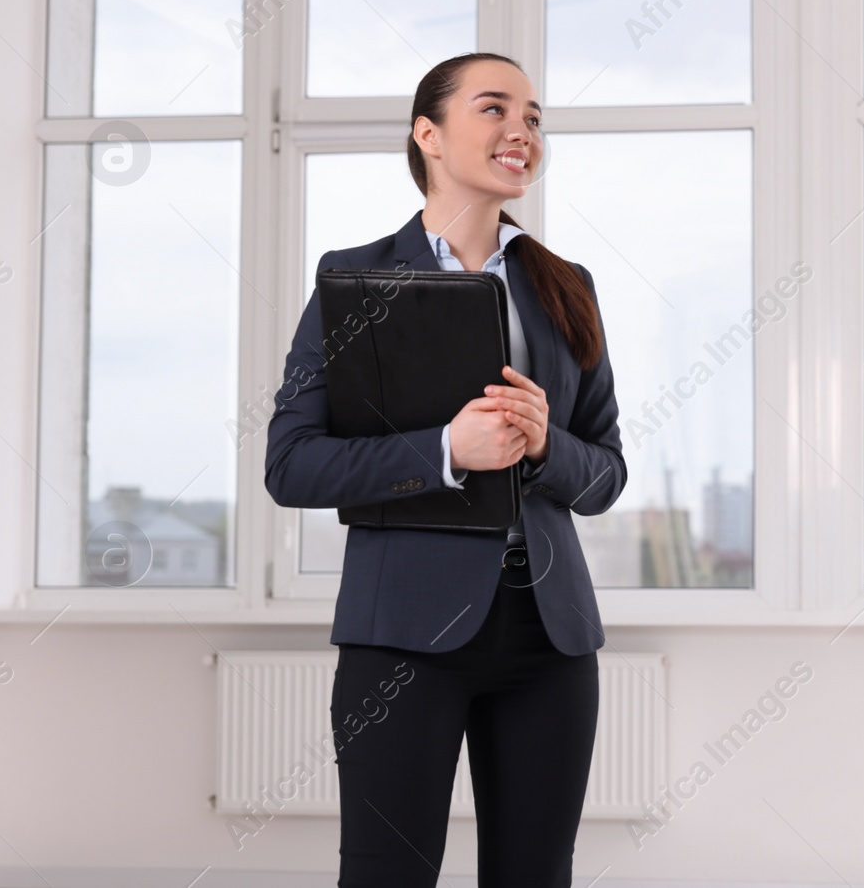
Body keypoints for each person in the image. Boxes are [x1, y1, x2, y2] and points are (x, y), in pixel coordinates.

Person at [264, 52, 627, 887]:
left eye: (534, 117)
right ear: (427, 133)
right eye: (495, 108)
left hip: (551, 641)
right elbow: (293, 464)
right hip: (401, 644)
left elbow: (605, 473)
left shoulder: (569, 288)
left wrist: (545, 446)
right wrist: (442, 451)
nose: (521, 132)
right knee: (386, 874)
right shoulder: (351, 283)